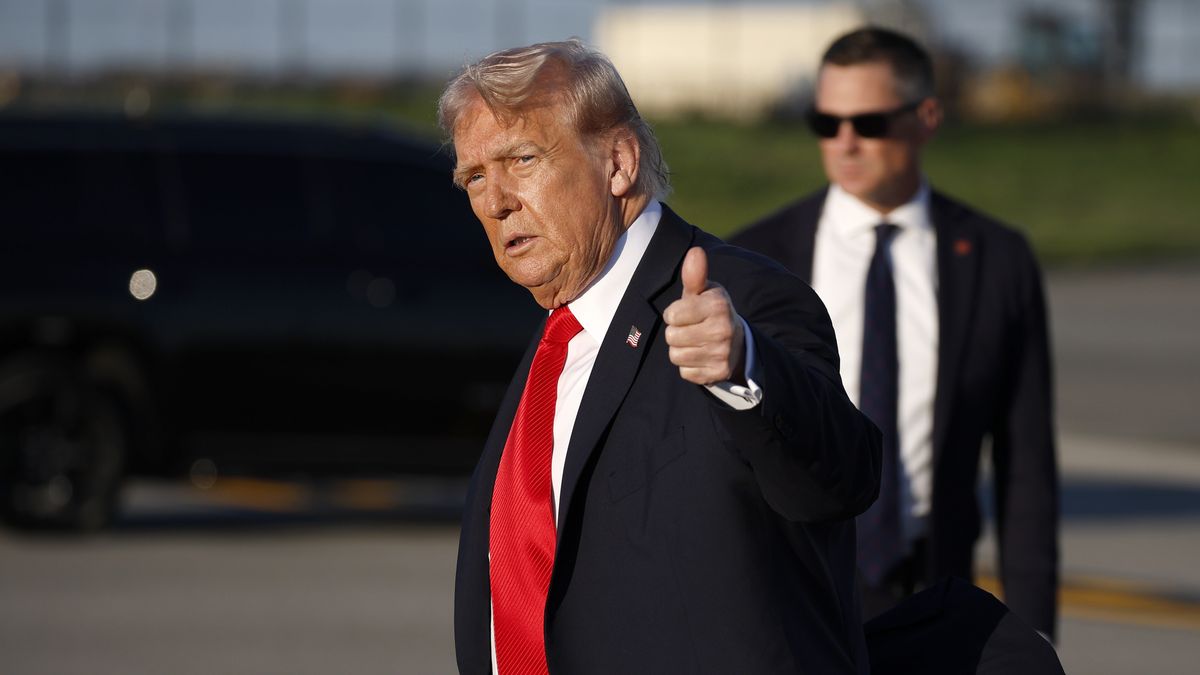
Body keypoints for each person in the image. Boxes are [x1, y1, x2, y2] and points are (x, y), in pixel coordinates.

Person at [439, 40, 881, 674]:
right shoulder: (559, 336)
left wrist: (744, 368)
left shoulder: (739, 299)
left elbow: (841, 476)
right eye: (475, 177)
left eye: (523, 159)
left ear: (618, 163)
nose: (494, 201)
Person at [732, 27, 1059, 639]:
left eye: (870, 123)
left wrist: (1035, 629)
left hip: (935, 586)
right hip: (794, 589)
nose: (845, 142)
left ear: (926, 118)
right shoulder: (757, 256)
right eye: (827, 123)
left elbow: (1027, 464)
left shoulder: (997, 258)